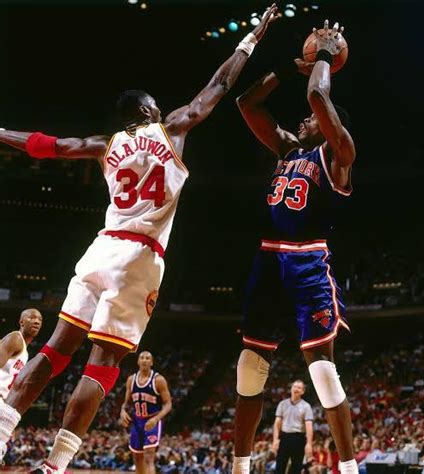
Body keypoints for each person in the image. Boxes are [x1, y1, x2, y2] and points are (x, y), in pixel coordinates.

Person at [0, 6, 278, 472]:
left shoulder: (105, 144)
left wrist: (2, 132)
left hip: (100, 248)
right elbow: (219, 86)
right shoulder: (171, 128)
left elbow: (47, 145)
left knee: (53, 350)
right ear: (148, 111)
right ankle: (53, 467)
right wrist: (251, 39)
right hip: (140, 256)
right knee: (101, 366)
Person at [232, 20, 357, 474]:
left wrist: (324, 56)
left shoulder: (338, 154)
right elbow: (247, 103)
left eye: (311, 121)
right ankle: (240, 466)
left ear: (327, 127)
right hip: (269, 258)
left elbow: (318, 99)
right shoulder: (286, 150)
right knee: (249, 365)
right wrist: (291, 66)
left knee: (321, 371)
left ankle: (348, 468)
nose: (302, 120)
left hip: (307, 260)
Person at [120, 351, 172, 474]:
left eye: (147, 358)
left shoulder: (159, 380)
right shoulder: (131, 380)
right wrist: (122, 411)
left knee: (149, 457)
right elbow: (126, 403)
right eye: (142, 358)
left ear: (151, 362)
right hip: (137, 421)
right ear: (138, 362)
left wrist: (156, 419)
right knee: (137, 458)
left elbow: (168, 404)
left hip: (152, 421)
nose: (144, 360)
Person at [271, 380, 313, 474]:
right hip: (284, 437)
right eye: (294, 387)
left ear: (303, 391)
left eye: (299, 388)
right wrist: (275, 440)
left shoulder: (306, 406)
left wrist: (309, 444)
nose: (296, 389)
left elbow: (309, 426)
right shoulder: (282, 404)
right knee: (280, 466)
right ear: (291, 389)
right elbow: (277, 423)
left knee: (296, 467)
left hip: (299, 438)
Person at [0, 308, 43, 401]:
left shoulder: (25, 352)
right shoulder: (15, 338)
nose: (36, 321)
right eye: (32, 317)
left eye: (40, 319)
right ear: (21, 322)